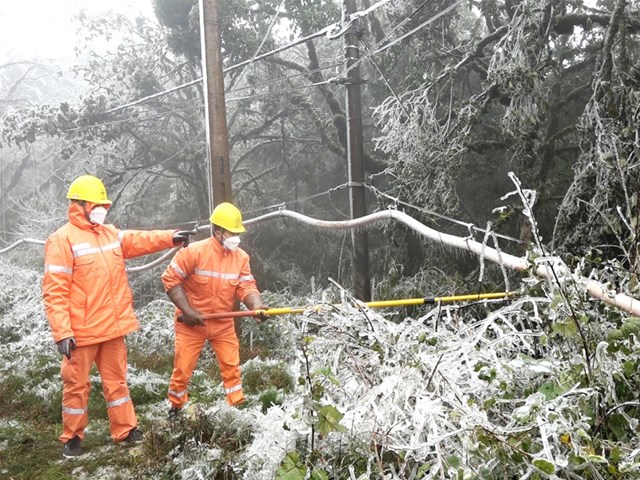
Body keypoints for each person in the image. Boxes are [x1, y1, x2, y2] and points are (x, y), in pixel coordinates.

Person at [42, 174, 195, 459]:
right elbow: (55, 291)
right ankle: (72, 437)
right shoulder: (61, 240)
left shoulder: (109, 232)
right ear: (81, 205)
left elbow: (139, 239)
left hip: (112, 328)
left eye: (104, 204)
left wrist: (171, 236)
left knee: (118, 383)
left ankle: (125, 430)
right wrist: (62, 331)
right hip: (81, 333)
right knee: (76, 386)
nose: (103, 208)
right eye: (98, 204)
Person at [161, 202, 268, 414]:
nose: (236, 237)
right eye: (232, 232)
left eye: (238, 232)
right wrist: (187, 311)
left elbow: (246, 286)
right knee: (182, 370)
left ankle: (236, 406)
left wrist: (256, 306)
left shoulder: (241, 258)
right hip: (191, 324)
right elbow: (170, 279)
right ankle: (176, 406)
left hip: (222, 324)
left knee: (232, 367)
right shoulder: (194, 252)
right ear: (218, 232)